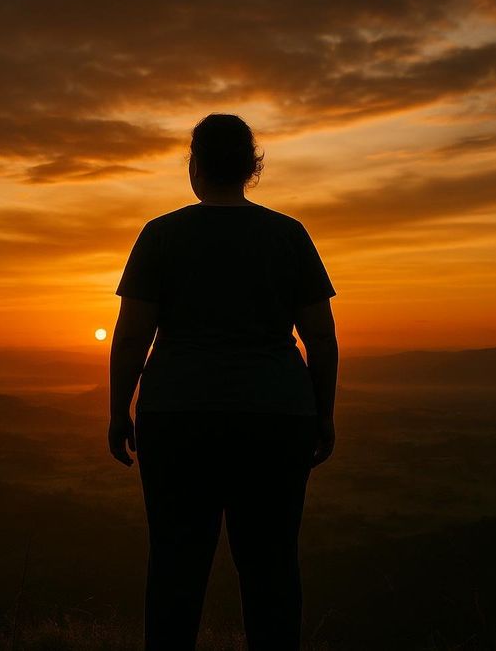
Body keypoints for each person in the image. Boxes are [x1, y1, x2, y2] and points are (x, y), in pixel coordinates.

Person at [108, 113, 338, 651]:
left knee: (175, 564)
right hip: (277, 417)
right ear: (251, 168)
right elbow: (321, 338)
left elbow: (132, 334)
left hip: (176, 417)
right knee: (271, 565)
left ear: (196, 167)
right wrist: (322, 414)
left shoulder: (161, 234)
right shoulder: (288, 235)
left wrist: (119, 410)